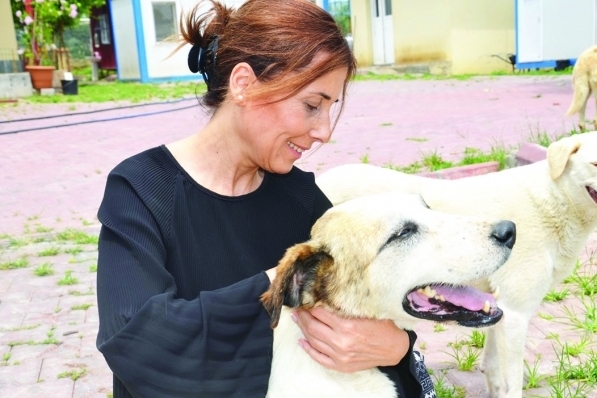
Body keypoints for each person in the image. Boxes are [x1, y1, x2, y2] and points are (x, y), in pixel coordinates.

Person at [95, 0, 433, 397]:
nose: (324, 131)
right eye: (311, 105)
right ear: (244, 84)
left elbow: (367, 299)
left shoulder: (300, 199)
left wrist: (397, 346)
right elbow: (136, 339)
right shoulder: (142, 188)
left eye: (331, 108)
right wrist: (279, 283)